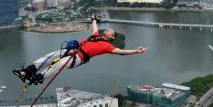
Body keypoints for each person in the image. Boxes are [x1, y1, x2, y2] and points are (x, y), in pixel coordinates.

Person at [13, 15, 147, 85]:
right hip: (71, 50)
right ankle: (27, 71)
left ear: (111, 37)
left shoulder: (108, 46)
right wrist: (94, 19)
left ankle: (36, 78)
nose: (106, 30)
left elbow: (122, 53)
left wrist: (136, 50)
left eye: (109, 31)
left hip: (78, 58)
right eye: (107, 29)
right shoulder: (96, 36)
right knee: (49, 57)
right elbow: (95, 27)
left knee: (58, 65)